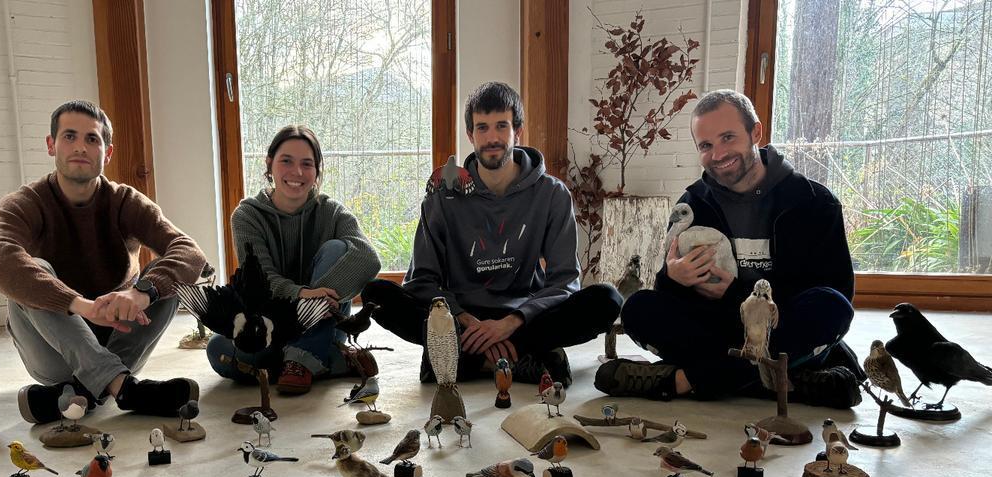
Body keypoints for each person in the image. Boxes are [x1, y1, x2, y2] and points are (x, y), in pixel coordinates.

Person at [595, 89, 863, 408]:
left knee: (831, 307)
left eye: (727, 138)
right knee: (638, 308)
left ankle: (686, 380)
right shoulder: (692, 205)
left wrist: (737, 294)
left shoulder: (814, 203)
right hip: (716, 329)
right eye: (706, 146)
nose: (718, 154)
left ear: (756, 133)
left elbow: (837, 291)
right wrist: (672, 278)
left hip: (779, 327)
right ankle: (785, 379)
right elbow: (670, 295)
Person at [363, 81, 622, 385]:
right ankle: (524, 358)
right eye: (482, 128)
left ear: (517, 131)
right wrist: (467, 322)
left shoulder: (552, 195)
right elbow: (422, 280)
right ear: (470, 135)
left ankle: (463, 359)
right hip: (462, 318)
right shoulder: (442, 198)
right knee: (376, 295)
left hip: (524, 316)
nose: (492, 137)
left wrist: (510, 324)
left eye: (501, 125)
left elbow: (565, 281)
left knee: (607, 299)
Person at [0, 100, 207, 424]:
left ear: (108, 152)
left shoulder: (124, 201)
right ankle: (122, 387)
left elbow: (189, 251)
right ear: (51, 145)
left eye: (92, 139)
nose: (80, 147)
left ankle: (71, 397)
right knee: (31, 273)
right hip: (53, 348)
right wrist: (79, 305)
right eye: (69, 136)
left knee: (166, 281)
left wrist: (141, 293)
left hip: (118, 340)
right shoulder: (25, 203)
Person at [206, 124, 381, 395]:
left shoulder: (331, 212)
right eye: (286, 161)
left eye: (307, 164)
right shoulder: (247, 216)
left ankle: (302, 359)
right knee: (218, 349)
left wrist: (316, 303)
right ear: (270, 164)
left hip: (325, 322)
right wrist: (303, 296)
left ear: (317, 170)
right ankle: (324, 358)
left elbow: (369, 259)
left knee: (337, 248)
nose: (297, 172)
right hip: (273, 324)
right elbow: (262, 281)